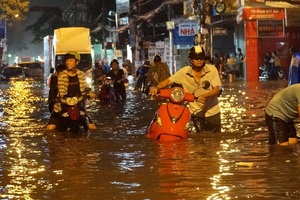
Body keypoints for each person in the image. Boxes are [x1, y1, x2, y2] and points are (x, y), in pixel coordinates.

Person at [149, 45, 222, 133]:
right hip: (196, 113)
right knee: (200, 141)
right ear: (191, 59)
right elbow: (168, 81)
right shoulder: (184, 72)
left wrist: (204, 96)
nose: (199, 60)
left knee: (215, 141)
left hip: (213, 112)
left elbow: (216, 90)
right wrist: (156, 87)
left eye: (201, 58)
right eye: (196, 58)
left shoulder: (212, 69)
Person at [46, 51, 97, 131]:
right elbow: (57, 91)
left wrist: (90, 94)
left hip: (78, 107)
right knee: (49, 129)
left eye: (71, 61)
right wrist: (56, 99)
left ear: (76, 62)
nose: (68, 63)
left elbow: (85, 88)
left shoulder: (81, 74)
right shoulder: (60, 76)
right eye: (66, 61)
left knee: (93, 128)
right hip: (61, 107)